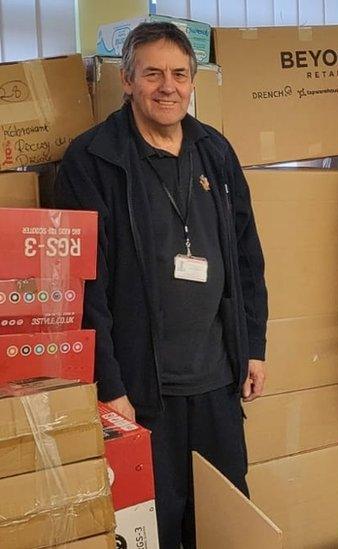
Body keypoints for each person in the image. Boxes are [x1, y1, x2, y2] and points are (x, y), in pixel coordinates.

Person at [54, 22, 268, 548]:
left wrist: (254, 347)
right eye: (152, 74)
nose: (166, 86)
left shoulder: (215, 151)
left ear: (194, 83)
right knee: (156, 527)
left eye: (178, 74)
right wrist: (111, 387)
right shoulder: (92, 160)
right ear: (127, 81)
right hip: (142, 393)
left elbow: (246, 257)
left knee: (224, 518)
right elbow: (82, 286)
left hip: (217, 381)